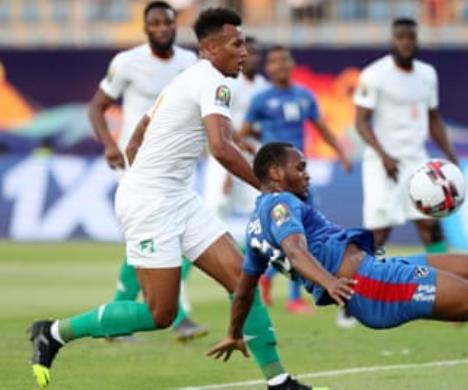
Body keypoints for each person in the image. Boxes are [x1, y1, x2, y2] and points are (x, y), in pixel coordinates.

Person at [29, 9, 314, 390]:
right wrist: (270, 188)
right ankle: (54, 332)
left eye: (244, 42)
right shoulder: (213, 81)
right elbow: (221, 148)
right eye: (236, 43)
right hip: (150, 201)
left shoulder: (191, 76)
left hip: (177, 196)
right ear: (210, 48)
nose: (245, 51)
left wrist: (134, 149)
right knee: (159, 313)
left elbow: (147, 123)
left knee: (242, 277)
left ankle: (280, 382)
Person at [208, 142, 468, 377]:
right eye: (300, 166)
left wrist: (232, 330)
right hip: (368, 286)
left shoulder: (254, 230)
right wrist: (330, 282)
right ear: (276, 174)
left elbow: (244, 289)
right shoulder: (280, 203)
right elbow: (296, 250)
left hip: (377, 272)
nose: (308, 173)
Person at [87, 0, 205, 341]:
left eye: (167, 23)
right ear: (145, 28)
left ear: (175, 26)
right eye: (155, 24)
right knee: (168, 237)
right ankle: (178, 317)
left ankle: (116, 316)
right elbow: (96, 107)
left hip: (176, 166)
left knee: (158, 241)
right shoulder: (127, 63)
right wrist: (109, 144)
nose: (162, 29)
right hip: (135, 165)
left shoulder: (189, 63)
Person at [240, 45, 352, 314]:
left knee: (303, 237)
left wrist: (341, 152)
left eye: (284, 60)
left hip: (299, 178)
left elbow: (322, 127)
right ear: (269, 68)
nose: (280, 66)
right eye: (274, 61)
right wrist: (259, 156)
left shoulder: (305, 96)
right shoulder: (261, 99)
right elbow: (241, 134)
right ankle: (286, 293)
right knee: (284, 236)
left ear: (291, 64)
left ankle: (277, 287)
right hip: (277, 182)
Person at [354, 18, 458, 253]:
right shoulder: (374, 74)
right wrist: (384, 156)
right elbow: (360, 121)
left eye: (411, 37)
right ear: (392, 41)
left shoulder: (427, 74)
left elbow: (433, 118)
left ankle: (441, 282)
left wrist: (451, 154)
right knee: (379, 231)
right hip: (382, 162)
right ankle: (366, 284)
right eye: (401, 37)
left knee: (430, 223)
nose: (406, 43)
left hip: (416, 160)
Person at [203, 36, 267, 222]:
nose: (252, 58)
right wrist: (239, 139)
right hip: (225, 147)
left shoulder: (263, 86)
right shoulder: (227, 82)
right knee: (217, 205)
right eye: (249, 53)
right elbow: (219, 119)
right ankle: (209, 250)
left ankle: (255, 250)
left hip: (253, 152)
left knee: (256, 206)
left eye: (257, 54)